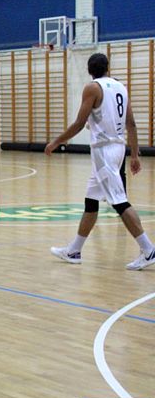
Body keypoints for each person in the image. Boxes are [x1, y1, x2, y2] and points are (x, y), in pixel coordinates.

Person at [46, 53, 155, 270]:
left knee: (119, 201)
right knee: (91, 201)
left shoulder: (92, 88)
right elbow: (131, 124)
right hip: (117, 148)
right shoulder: (120, 87)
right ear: (108, 67)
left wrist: (56, 141)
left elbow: (79, 123)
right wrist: (134, 154)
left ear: (89, 70)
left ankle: (148, 249)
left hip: (104, 152)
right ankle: (74, 250)